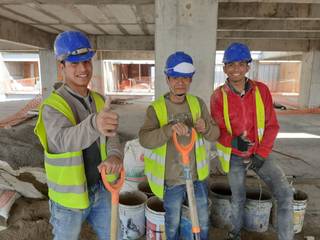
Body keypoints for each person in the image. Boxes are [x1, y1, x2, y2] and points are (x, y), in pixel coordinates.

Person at [34, 31, 123, 240]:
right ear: (61, 67)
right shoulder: (52, 107)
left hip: (102, 189)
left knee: (115, 236)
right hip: (68, 201)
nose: (83, 69)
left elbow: (112, 136)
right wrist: (94, 123)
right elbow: (62, 141)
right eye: (74, 64)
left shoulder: (99, 100)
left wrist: (115, 155)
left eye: (86, 61)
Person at [210, 42, 293, 240]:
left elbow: (272, 125)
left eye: (240, 64)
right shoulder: (218, 97)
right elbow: (216, 130)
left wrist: (262, 154)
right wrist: (233, 142)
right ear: (225, 69)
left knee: (285, 194)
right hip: (235, 156)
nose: (236, 69)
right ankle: (235, 233)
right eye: (231, 65)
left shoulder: (261, 91)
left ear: (248, 66)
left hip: (260, 154)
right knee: (238, 198)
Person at [139, 51, 220, 240]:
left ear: (191, 80)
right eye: (175, 77)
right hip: (172, 181)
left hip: (196, 178)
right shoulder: (157, 108)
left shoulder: (197, 104)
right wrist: (168, 130)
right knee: (172, 224)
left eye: (185, 78)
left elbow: (215, 134)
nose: (180, 82)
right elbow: (145, 139)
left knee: (201, 222)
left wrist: (205, 127)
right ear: (167, 79)